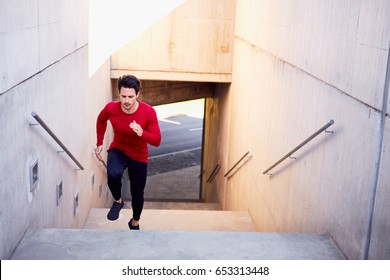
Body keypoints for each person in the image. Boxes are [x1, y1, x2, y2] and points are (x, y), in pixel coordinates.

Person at [95, 75, 161, 230]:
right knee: (113, 174)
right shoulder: (111, 108)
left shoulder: (148, 112)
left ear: (137, 95)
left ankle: (135, 221)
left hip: (139, 156)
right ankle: (118, 200)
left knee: (137, 193)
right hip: (119, 149)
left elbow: (157, 140)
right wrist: (99, 142)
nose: (126, 101)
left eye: (131, 97)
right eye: (123, 96)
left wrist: (142, 133)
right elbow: (101, 120)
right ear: (119, 93)